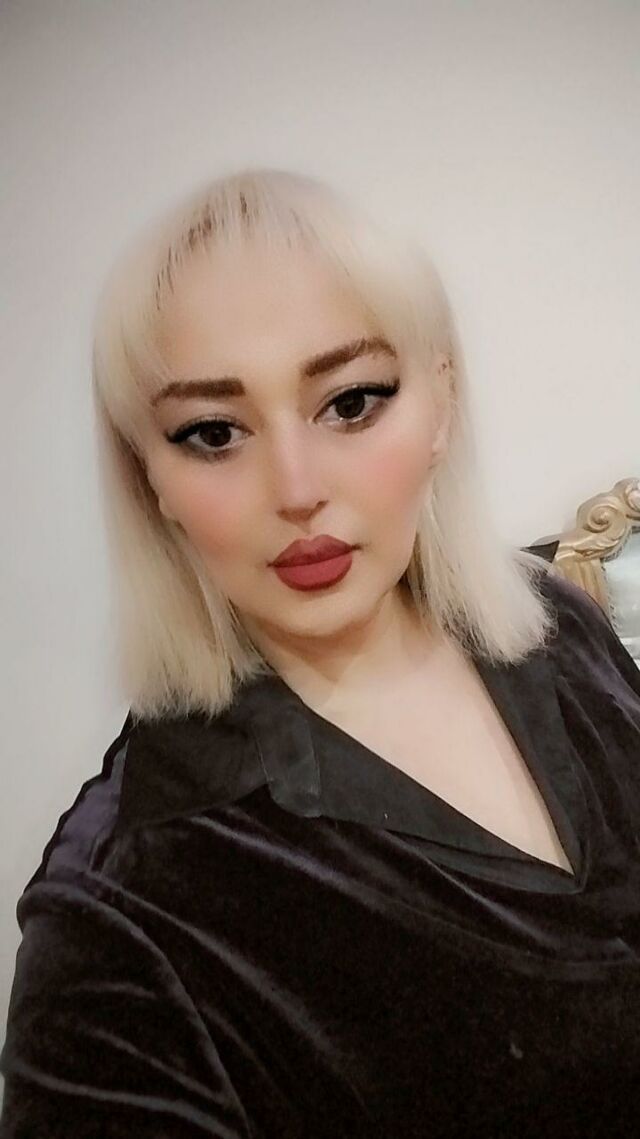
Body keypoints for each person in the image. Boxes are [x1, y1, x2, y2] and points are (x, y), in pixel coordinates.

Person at [2, 168, 640, 1139]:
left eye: (350, 402)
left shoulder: (555, 619)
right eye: (214, 432)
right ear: (149, 478)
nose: (297, 488)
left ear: (441, 400)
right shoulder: (125, 916)